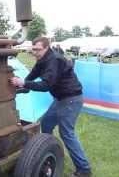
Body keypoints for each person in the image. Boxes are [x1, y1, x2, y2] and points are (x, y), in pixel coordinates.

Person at [10, 37, 91, 177]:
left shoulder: (54, 60)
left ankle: (84, 169)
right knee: (46, 124)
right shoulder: (42, 60)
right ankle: (49, 150)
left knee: (66, 133)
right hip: (60, 99)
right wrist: (22, 85)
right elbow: (33, 74)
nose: (35, 52)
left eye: (38, 49)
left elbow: (46, 85)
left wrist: (24, 82)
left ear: (47, 47)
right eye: (33, 49)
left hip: (71, 99)